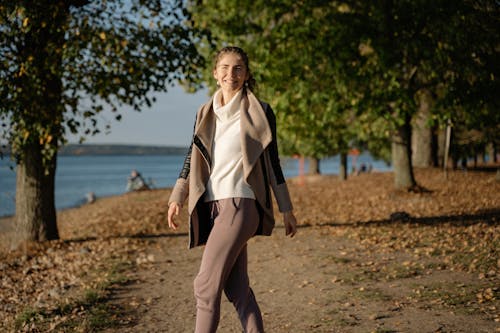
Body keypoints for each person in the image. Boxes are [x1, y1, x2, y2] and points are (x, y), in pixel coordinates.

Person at [167, 46, 297, 333]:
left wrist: (286, 208)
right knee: (237, 290)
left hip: (241, 204)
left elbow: (272, 162)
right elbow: (193, 154)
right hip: (212, 206)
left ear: (247, 74)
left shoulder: (260, 112)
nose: (231, 74)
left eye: (238, 68)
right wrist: (178, 195)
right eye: (225, 67)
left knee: (204, 286)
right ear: (215, 74)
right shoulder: (204, 112)